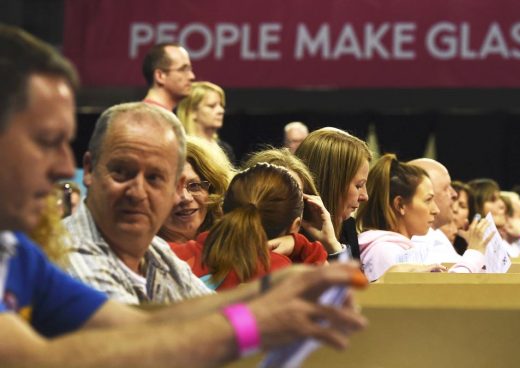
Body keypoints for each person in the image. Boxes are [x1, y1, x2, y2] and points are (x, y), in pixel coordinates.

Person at [0, 24, 366, 366]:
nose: (65, 168)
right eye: (47, 142)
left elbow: (137, 325)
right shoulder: (68, 254)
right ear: (92, 170)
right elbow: (41, 359)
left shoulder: (18, 252)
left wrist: (267, 289)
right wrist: (249, 324)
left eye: (158, 177)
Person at [63, 102, 212, 304]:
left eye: (154, 178)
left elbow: (209, 308)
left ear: (177, 187)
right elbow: (137, 333)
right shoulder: (68, 255)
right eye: (122, 172)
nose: (137, 192)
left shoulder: (157, 251)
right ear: (89, 170)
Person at [356, 154, 489, 281]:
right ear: (400, 205)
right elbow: (443, 298)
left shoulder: (400, 247)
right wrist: (474, 254)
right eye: (428, 200)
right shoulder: (383, 251)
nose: (435, 210)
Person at [202, 163, 328, 290]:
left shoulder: (191, 252)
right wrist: (302, 245)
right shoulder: (281, 274)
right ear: (295, 225)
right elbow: (332, 293)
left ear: (222, 213)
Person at [159, 136, 234, 274]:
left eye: (194, 186)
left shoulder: (234, 243)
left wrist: (287, 239)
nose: (185, 198)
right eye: (172, 188)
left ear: (212, 190)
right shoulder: (139, 258)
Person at [295, 127, 372, 260]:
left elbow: (356, 281)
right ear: (331, 183)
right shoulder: (290, 237)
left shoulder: (347, 226)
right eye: (359, 185)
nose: (365, 196)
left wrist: (334, 247)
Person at [409, 159, 489, 268]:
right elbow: (451, 283)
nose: (454, 194)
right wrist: (474, 251)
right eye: (446, 188)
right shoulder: (416, 241)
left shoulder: (436, 235)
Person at [177, 81, 236, 164]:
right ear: (192, 111)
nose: (221, 111)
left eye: (221, 105)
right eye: (212, 106)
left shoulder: (225, 149)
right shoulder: (181, 148)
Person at [142, 43, 195, 111]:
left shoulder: (159, 116)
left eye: (190, 69)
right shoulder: (147, 117)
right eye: (183, 69)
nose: (192, 76)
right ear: (160, 76)